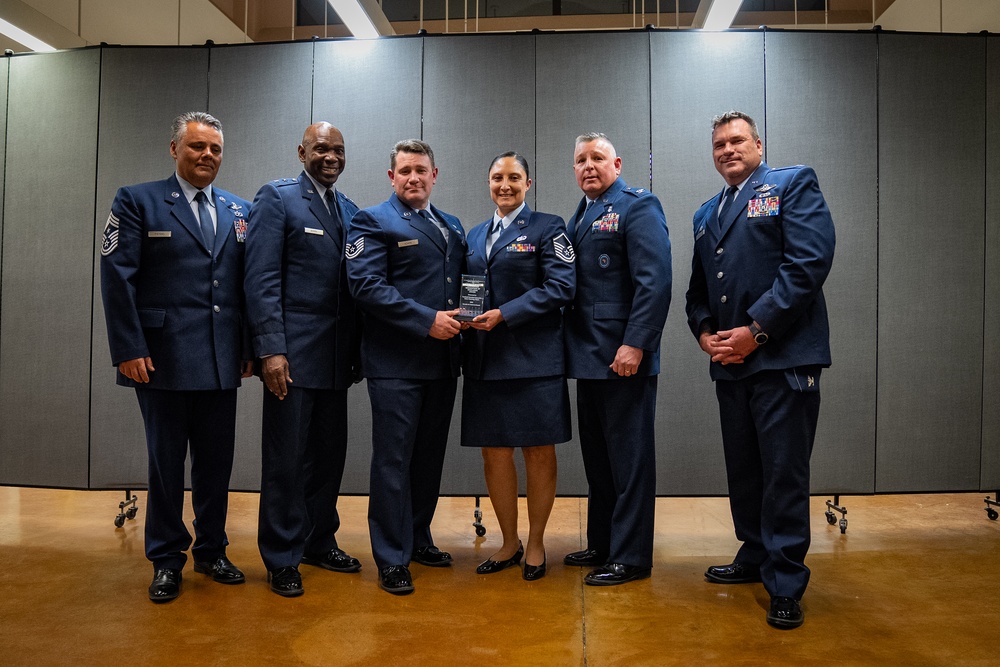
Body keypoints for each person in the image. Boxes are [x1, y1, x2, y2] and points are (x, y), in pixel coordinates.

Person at [685, 110, 835, 629]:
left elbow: (808, 264)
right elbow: (697, 289)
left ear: (758, 143)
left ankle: (786, 581)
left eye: (738, 141)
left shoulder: (792, 183)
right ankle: (754, 553)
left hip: (782, 358)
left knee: (783, 474)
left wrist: (756, 331)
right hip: (731, 362)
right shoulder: (707, 212)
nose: (728, 150)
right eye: (719, 144)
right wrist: (705, 331)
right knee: (745, 469)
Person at [100, 111, 252, 603]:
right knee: (166, 465)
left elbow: (250, 287)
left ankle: (211, 550)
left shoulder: (239, 210)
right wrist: (128, 347)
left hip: (221, 359)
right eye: (197, 147)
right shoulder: (137, 200)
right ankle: (166, 559)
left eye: (215, 149)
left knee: (215, 465)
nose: (207, 155)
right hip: (160, 359)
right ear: (175, 149)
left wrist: (248, 348)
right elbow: (117, 276)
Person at [244, 122, 363, 597]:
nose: (330, 157)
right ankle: (281, 556)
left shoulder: (350, 210)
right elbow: (261, 278)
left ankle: (318, 540)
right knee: (286, 460)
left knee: (328, 458)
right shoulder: (277, 199)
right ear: (301, 152)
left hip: (336, 361)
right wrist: (270, 348)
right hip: (290, 359)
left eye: (338, 150)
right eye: (320, 149)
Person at [346, 139, 466, 595]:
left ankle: (418, 538)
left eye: (421, 170)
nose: (413, 178)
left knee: (426, 460)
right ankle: (392, 557)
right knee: (393, 462)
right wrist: (425, 321)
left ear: (435, 175)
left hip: (442, 362)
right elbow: (366, 285)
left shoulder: (451, 225)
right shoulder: (372, 220)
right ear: (391, 177)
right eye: (405, 171)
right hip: (396, 363)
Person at [461, 152, 576, 581]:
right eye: (497, 177)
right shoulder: (473, 235)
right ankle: (508, 542)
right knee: (495, 452)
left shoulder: (550, 227)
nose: (504, 185)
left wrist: (505, 313)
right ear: (488, 182)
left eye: (513, 177)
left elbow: (563, 286)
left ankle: (538, 542)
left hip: (534, 360)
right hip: (485, 360)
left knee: (538, 451)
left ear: (529, 182)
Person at [562, 133, 672, 586]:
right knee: (600, 460)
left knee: (629, 461)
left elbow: (655, 280)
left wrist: (636, 343)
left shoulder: (637, 206)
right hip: (588, 356)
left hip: (623, 355)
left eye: (598, 158)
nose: (589, 166)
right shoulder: (582, 213)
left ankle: (631, 556)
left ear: (618, 163)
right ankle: (605, 541)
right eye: (581, 160)